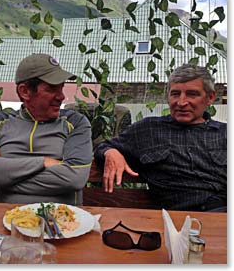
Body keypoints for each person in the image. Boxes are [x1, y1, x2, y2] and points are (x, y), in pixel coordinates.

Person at [94, 64, 226, 212]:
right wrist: (110, 152)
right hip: (176, 220)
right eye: (175, 94)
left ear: (210, 97)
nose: (181, 102)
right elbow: (103, 147)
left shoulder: (225, 134)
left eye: (192, 94)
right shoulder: (148, 130)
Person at [0, 53, 92, 205]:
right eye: (52, 88)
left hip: (64, 221)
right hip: (8, 219)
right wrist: (44, 162)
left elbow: (75, 178)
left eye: (61, 88)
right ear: (25, 91)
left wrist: (3, 170)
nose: (61, 96)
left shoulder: (75, 123)